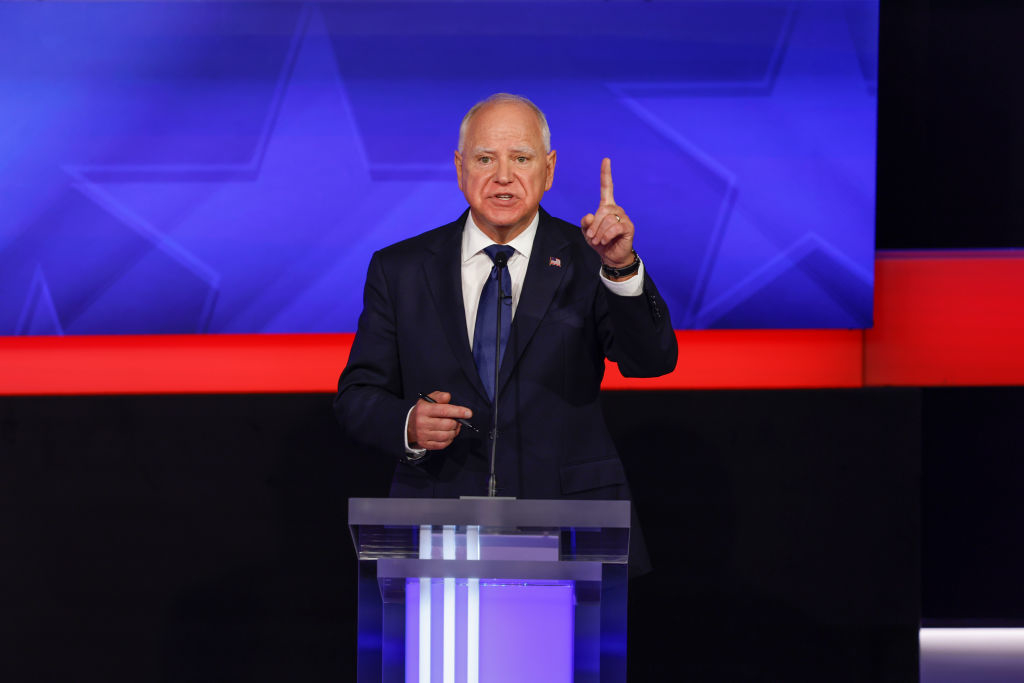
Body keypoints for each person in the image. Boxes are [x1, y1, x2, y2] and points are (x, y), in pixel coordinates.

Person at [334, 93, 676, 500]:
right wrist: (408, 422)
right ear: (460, 169)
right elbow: (358, 396)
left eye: (521, 158)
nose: (502, 176)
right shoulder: (400, 269)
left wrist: (620, 268)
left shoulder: (591, 260)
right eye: (484, 159)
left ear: (548, 170)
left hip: (569, 516)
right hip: (441, 512)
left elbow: (650, 363)